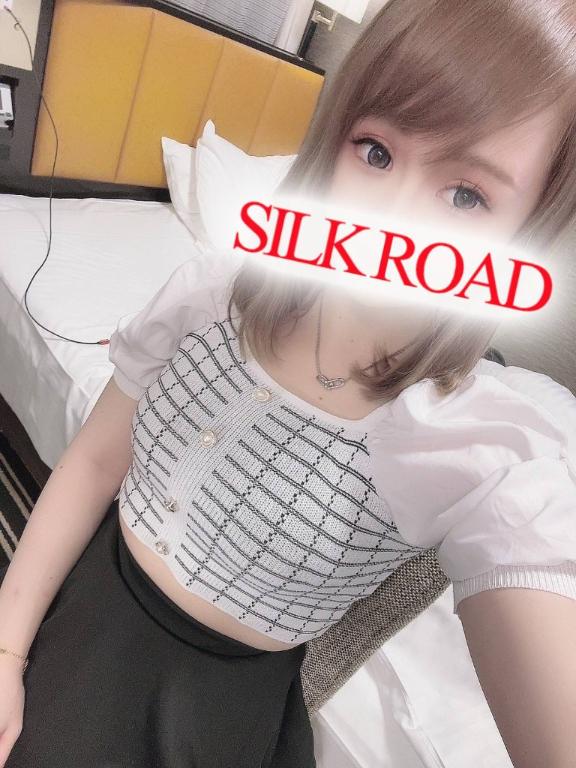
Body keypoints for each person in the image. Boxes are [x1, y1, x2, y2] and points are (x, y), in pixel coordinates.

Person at [1, 0, 576, 766]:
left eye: (466, 196)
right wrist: (7, 649)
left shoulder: (474, 444)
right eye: (375, 151)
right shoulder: (209, 294)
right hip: (88, 601)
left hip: (226, 707)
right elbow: (97, 461)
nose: (385, 219)